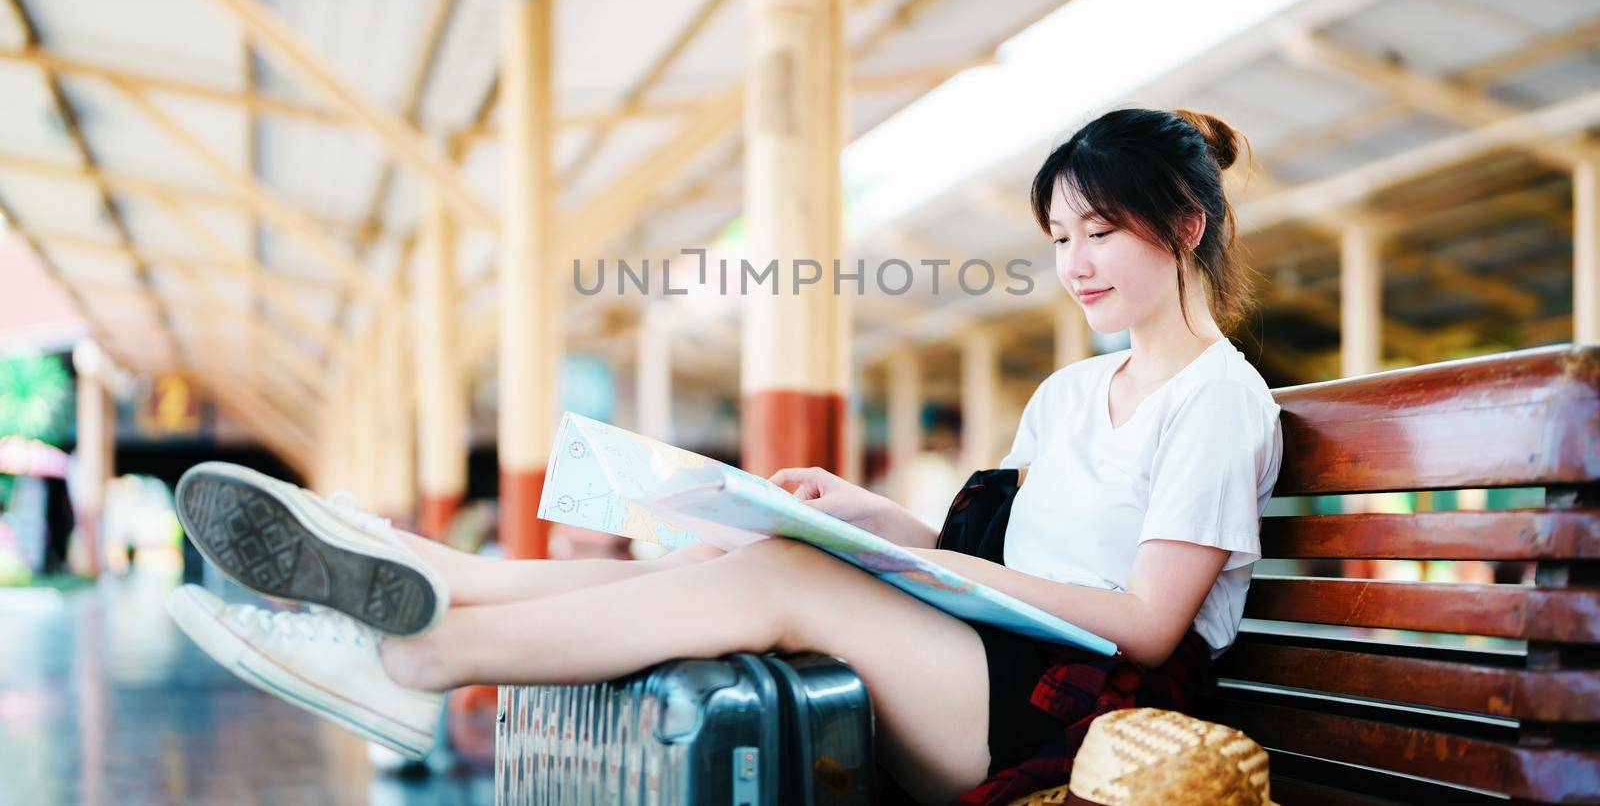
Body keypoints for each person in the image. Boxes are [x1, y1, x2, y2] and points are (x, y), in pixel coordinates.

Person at [165, 106, 1282, 806]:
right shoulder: (1071, 391)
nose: (1074, 263)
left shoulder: (1219, 402)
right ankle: (418, 589)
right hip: (998, 661)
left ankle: (420, 654)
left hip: (1094, 714)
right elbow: (1005, 550)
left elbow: (1141, 621)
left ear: (1183, 225)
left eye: (1099, 232)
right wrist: (876, 523)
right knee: (733, 548)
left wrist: (942, 575)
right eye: (1058, 239)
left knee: (785, 576)